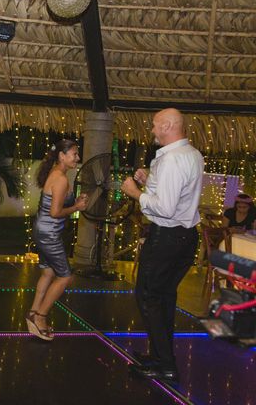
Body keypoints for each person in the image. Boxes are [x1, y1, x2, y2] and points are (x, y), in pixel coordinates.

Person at [121, 108, 204, 384]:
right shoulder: (192, 155)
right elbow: (177, 194)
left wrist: (136, 193)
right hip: (186, 236)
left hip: (167, 237)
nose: (153, 130)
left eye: (156, 126)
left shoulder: (171, 161)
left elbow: (165, 209)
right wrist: (150, 182)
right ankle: (160, 357)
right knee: (165, 298)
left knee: (149, 298)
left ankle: (165, 365)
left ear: (168, 125)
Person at [26, 139, 88, 341]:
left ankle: (34, 312)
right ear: (62, 156)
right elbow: (55, 212)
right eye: (74, 154)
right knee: (65, 276)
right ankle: (41, 317)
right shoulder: (60, 179)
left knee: (48, 273)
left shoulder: (56, 174)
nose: (77, 158)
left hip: (42, 230)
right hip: (49, 233)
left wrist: (75, 202)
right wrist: (76, 208)